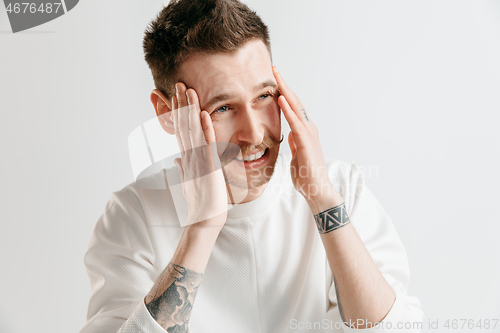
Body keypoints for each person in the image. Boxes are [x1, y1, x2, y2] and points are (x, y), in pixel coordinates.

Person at [80, 0, 424, 332]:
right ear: (168, 114)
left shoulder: (339, 187)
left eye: (263, 97)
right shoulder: (132, 216)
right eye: (223, 108)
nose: (255, 133)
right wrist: (201, 227)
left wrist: (324, 202)